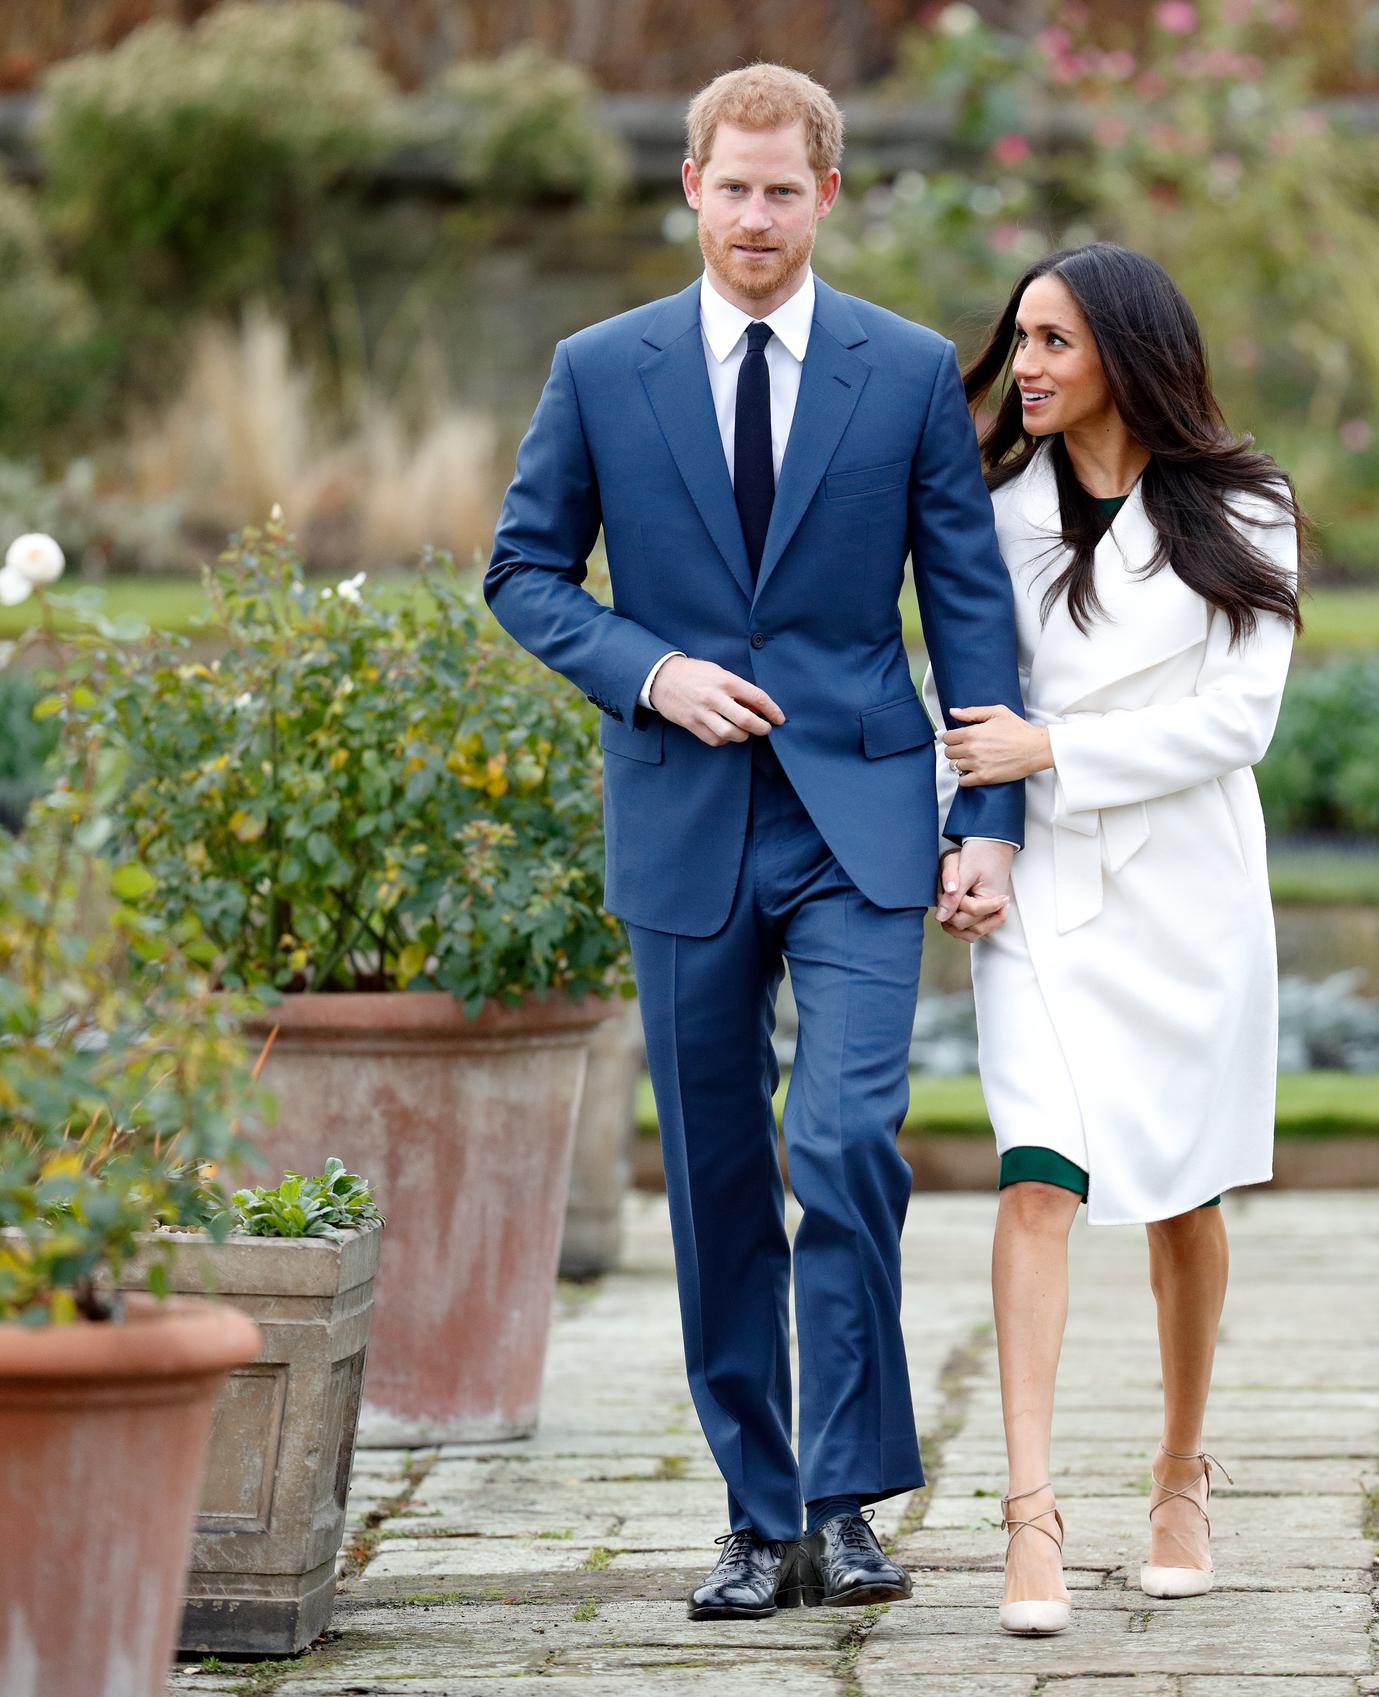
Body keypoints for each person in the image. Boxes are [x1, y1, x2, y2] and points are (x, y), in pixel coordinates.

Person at [482, 63, 1026, 1623]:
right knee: (719, 1177)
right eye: (735, 187)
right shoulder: (602, 369)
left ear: (827, 198)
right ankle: (753, 1508)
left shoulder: (910, 370)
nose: (758, 217)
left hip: (862, 815)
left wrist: (985, 814)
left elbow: (969, 607)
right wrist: (648, 668)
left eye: (787, 191)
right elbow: (525, 572)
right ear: (693, 185)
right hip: (682, 823)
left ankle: (848, 1501)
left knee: (846, 1140)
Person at [924, 243, 1305, 1636]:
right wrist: (968, 828)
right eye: (1019, 337)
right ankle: (1029, 1511)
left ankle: (1180, 1471)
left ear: (1127, 357)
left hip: (1189, 898)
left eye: (1056, 342)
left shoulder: (1248, 504)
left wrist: (1056, 745)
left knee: (1187, 1196)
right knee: (1039, 1178)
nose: (1024, 364)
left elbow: (1238, 721)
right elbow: (958, 695)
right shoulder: (990, 508)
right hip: (1043, 896)